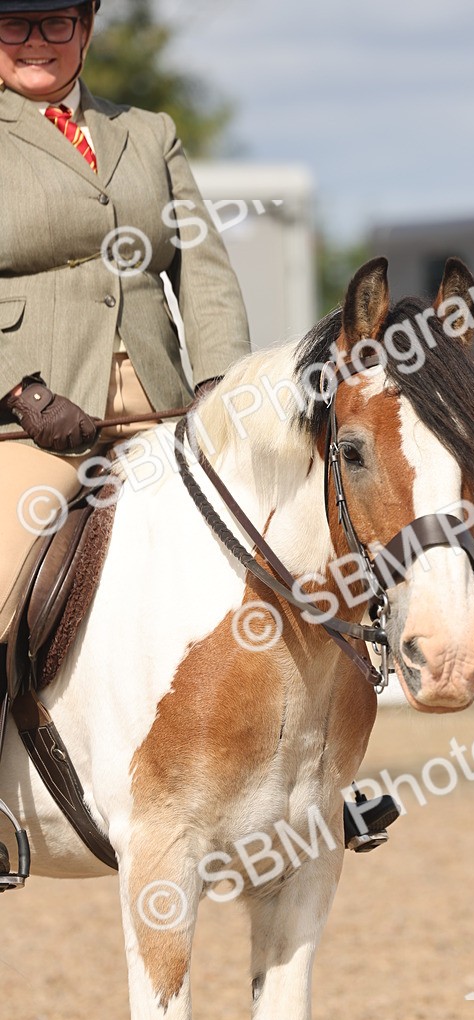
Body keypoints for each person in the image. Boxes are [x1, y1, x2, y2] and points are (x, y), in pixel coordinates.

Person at [0, 0, 251, 648]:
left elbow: (204, 269)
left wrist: (219, 384)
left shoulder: (149, 132)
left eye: (55, 23)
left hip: (160, 411)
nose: (36, 42)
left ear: (84, 28)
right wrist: (22, 392)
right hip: (30, 425)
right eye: (14, 25)